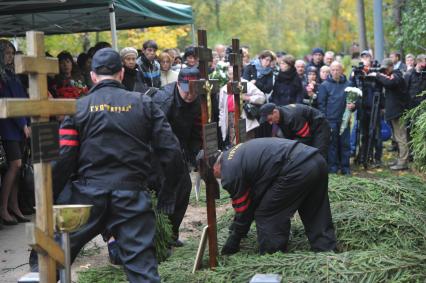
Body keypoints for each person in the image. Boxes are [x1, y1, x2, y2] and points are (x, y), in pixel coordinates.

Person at [30, 48, 181, 282]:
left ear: (92, 76)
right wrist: (168, 191)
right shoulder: (144, 103)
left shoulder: (78, 107)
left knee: (51, 261)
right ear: (121, 73)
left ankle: (37, 272)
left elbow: (65, 155)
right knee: (143, 271)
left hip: (87, 197)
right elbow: (171, 151)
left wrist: (48, 198)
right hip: (132, 196)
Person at [210, 138, 336, 255]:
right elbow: (252, 198)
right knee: (315, 209)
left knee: (267, 214)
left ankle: (272, 256)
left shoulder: (230, 172)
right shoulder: (234, 153)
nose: (215, 177)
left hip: (296, 167)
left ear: (214, 167)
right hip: (315, 158)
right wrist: (238, 229)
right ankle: (326, 251)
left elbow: (244, 209)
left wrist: (235, 237)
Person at [150, 67, 202, 246]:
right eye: (187, 91)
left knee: (184, 188)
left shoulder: (197, 99)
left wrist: (195, 155)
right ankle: (158, 238)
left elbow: (196, 130)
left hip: (178, 148)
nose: (190, 96)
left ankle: (171, 235)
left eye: (194, 92)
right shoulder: (163, 101)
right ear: (179, 84)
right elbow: (151, 132)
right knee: (163, 191)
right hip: (156, 150)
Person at [0, 39, 31, 225]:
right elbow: (8, 102)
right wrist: (22, 124)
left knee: (19, 168)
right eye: (6, 53)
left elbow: (22, 99)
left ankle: (14, 206)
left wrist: (27, 122)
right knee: (15, 165)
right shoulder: (1, 77)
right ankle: (3, 208)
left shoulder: (13, 74)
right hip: (9, 126)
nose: (10, 57)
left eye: (12, 53)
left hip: (21, 126)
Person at [370, 58, 410, 170]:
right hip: (395, 112)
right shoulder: (391, 74)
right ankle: (400, 159)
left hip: (399, 111)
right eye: (383, 69)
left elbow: (390, 82)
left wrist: (377, 75)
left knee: (401, 137)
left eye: (385, 69)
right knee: (397, 137)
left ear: (391, 66)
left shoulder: (397, 74)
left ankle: (403, 162)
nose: (384, 71)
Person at [258, 103, 330, 160]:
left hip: (319, 125)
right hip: (306, 126)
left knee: (318, 153)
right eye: (268, 121)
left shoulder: (291, 117)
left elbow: (305, 138)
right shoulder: (280, 117)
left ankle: (320, 174)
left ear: (275, 112)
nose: (270, 123)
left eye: (270, 119)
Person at [318, 61, 353, 175]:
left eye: (337, 69)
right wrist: (325, 121)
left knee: (345, 144)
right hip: (330, 120)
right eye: (332, 70)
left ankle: (345, 168)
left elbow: (355, 101)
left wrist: (353, 106)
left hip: (344, 119)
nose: (335, 72)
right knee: (332, 145)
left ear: (342, 70)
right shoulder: (324, 85)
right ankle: (333, 168)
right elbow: (321, 104)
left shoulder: (348, 84)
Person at [218, 65, 266, 147]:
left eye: (234, 73)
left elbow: (262, 97)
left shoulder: (246, 84)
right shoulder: (224, 89)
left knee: (247, 145)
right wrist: (221, 123)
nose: (232, 76)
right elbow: (222, 109)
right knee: (234, 146)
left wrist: (247, 97)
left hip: (244, 119)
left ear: (239, 73)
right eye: (230, 74)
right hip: (230, 120)